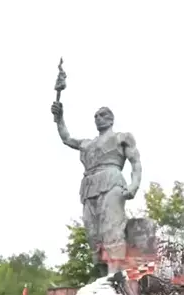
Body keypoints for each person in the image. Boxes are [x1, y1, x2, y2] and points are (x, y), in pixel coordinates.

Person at [51, 100, 142, 276]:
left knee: (112, 227)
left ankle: (115, 274)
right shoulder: (88, 144)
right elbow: (67, 139)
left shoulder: (121, 138)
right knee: (92, 233)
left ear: (111, 119)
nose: (98, 118)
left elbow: (136, 162)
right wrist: (59, 118)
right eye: (96, 116)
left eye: (103, 115)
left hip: (112, 181)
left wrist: (134, 185)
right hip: (89, 186)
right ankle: (103, 275)